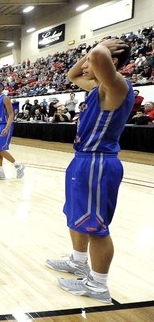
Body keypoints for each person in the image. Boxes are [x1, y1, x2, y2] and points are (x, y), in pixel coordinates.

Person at [46, 38, 134, 304]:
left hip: (98, 162)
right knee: (76, 215)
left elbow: (97, 54)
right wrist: (88, 57)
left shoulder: (117, 86)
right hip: (83, 159)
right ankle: (78, 262)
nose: (84, 65)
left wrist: (100, 45)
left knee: (96, 227)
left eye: (89, 62)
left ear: (111, 63)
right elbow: (71, 74)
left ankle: (98, 285)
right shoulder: (95, 88)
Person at [0, 81, 24, 180]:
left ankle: (18, 166)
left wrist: (7, 128)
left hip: (4, 125)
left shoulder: (5, 98)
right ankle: (0, 172)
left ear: (1, 88)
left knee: (0, 149)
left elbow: (11, 114)